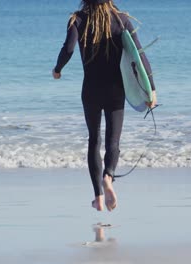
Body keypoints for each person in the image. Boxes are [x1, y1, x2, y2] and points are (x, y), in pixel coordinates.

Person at [52, 0, 157, 212]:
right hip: (115, 88)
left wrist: (58, 69)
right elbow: (139, 55)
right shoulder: (120, 19)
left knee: (94, 140)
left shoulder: (78, 20)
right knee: (113, 140)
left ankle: (98, 196)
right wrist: (150, 88)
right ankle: (108, 176)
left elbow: (69, 48)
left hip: (90, 89)